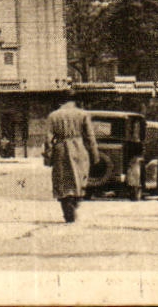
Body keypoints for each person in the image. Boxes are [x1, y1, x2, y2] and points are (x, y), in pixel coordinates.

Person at [45, 91, 99, 223]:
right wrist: (94, 154)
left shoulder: (53, 116)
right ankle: (75, 201)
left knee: (62, 178)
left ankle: (67, 207)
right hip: (78, 148)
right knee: (79, 176)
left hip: (61, 149)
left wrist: (48, 156)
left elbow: (48, 139)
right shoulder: (83, 114)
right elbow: (90, 137)